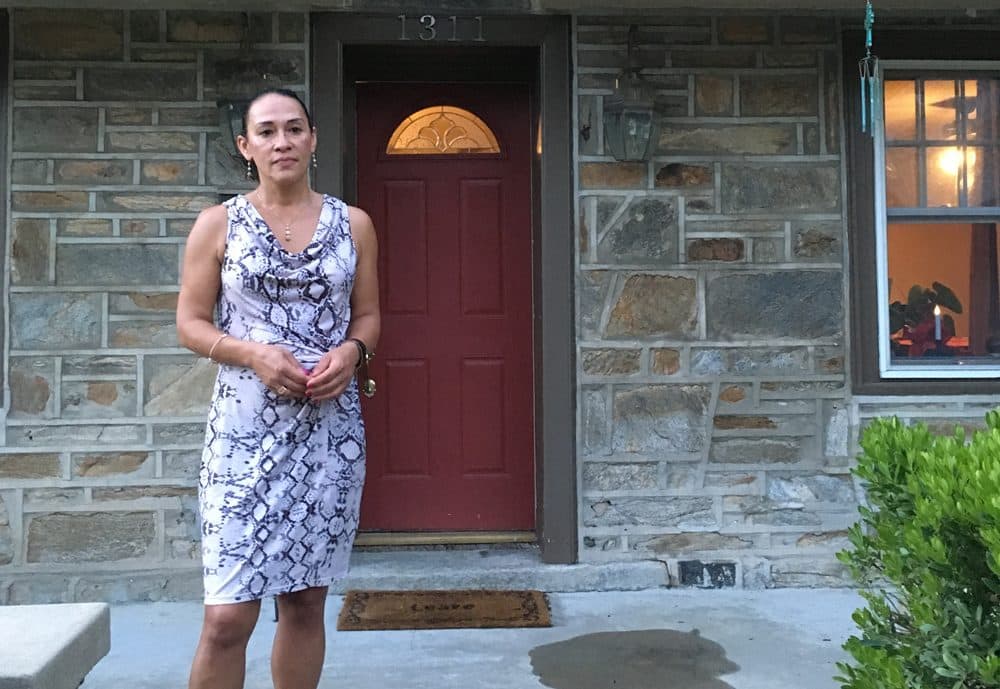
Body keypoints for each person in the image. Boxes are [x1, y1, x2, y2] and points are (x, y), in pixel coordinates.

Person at [175, 88, 380, 689]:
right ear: (246, 146)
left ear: (314, 138)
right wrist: (253, 355)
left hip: (328, 438)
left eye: (294, 129)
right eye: (266, 132)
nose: (282, 141)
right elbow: (189, 323)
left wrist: (352, 351)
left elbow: (368, 318)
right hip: (242, 439)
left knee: (304, 604)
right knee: (226, 618)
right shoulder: (217, 224)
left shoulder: (355, 224)